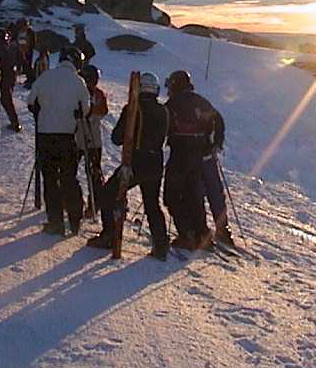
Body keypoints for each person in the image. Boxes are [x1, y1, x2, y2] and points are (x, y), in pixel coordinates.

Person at [87, 72, 169, 260]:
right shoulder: (164, 111)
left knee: (108, 193)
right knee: (151, 204)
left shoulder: (133, 108)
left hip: (136, 161)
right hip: (156, 162)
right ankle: (161, 244)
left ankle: (109, 235)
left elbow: (117, 138)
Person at [27, 46, 89, 236]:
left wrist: (41, 111)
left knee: (50, 179)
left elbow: (31, 101)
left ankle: (55, 222)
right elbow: (85, 110)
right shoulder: (79, 82)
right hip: (67, 137)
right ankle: (75, 219)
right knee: (69, 178)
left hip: (45, 136)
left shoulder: (45, 76)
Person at [163, 70, 218, 251]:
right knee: (194, 195)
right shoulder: (201, 101)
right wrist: (213, 144)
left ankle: (187, 235)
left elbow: (165, 126)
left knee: (172, 195)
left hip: (180, 154)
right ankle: (202, 233)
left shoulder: (173, 103)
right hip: (197, 156)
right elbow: (217, 121)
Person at [199, 106, 235, 246]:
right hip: (208, 156)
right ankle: (223, 230)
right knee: (215, 192)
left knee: (196, 193)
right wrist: (217, 143)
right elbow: (218, 118)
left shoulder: (176, 104)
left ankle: (200, 231)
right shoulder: (201, 102)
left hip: (192, 157)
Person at [76, 64, 108, 217]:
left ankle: (93, 205)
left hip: (91, 139)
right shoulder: (79, 92)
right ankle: (74, 201)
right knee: (71, 171)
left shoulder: (97, 94)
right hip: (79, 137)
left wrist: (89, 112)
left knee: (94, 173)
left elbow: (103, 111)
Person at [0, 28, 22, 132]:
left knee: (4, 100)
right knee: (4, 100)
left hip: (5, 76)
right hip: (9, 76)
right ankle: (14, 123)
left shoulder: (3, 49)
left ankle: (15, 123)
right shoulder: (11, 46)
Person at [17, 19, 36, 87]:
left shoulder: (30, 32)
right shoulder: (19, 32)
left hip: (28, 51)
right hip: (20, 50)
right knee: (22, 65)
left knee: (27, 65)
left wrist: (29, 49)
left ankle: (30, 79)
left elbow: (33, 42)